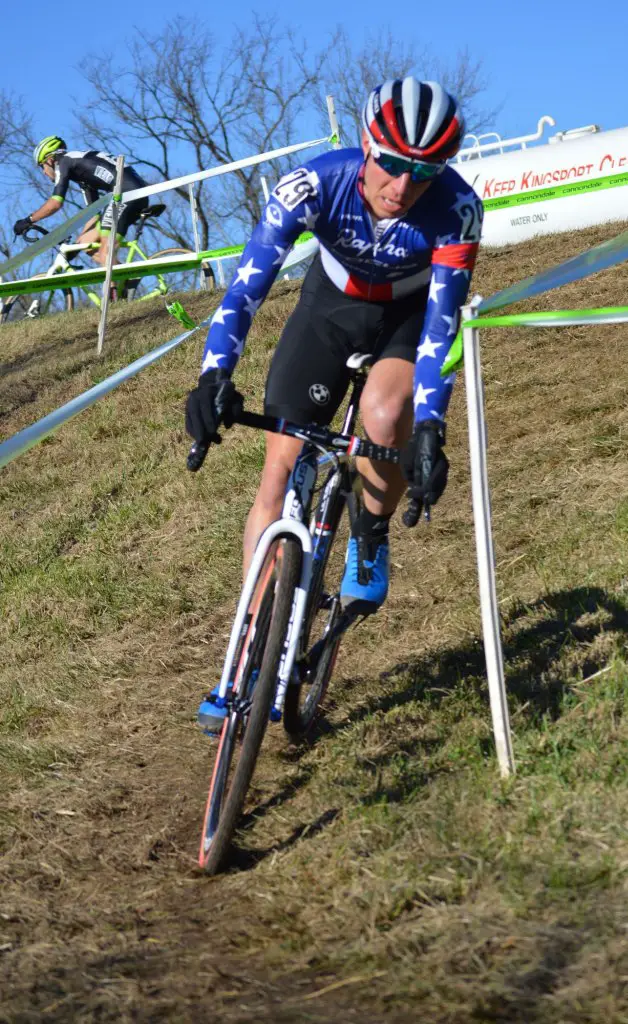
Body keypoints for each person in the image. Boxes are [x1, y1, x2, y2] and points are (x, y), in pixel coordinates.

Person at [185, 77, 484, 731]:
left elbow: (440, 330)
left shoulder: (457, 210)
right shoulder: (313, 184)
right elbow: (244, 288)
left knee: (382, 418)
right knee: (278, 469)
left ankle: (369, 537)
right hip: (329, 309)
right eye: (392, 163)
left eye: (423, 172)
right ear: (365, 144)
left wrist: (430, 424)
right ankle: (241, 663)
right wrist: (214, 376)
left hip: (405, 320)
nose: (403, 186)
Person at [12, 136, 151, 267]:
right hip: (133, 193)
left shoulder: (64, 161)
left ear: (49, 160)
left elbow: (55, 203)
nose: (43, 172)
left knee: (105, 253)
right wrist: (76, 246)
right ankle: (126, 282)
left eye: (42, 166)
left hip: (125, 195)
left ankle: (113, 291)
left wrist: (28, 220)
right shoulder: (82, 173)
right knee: (86, 243)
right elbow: (92, 213)